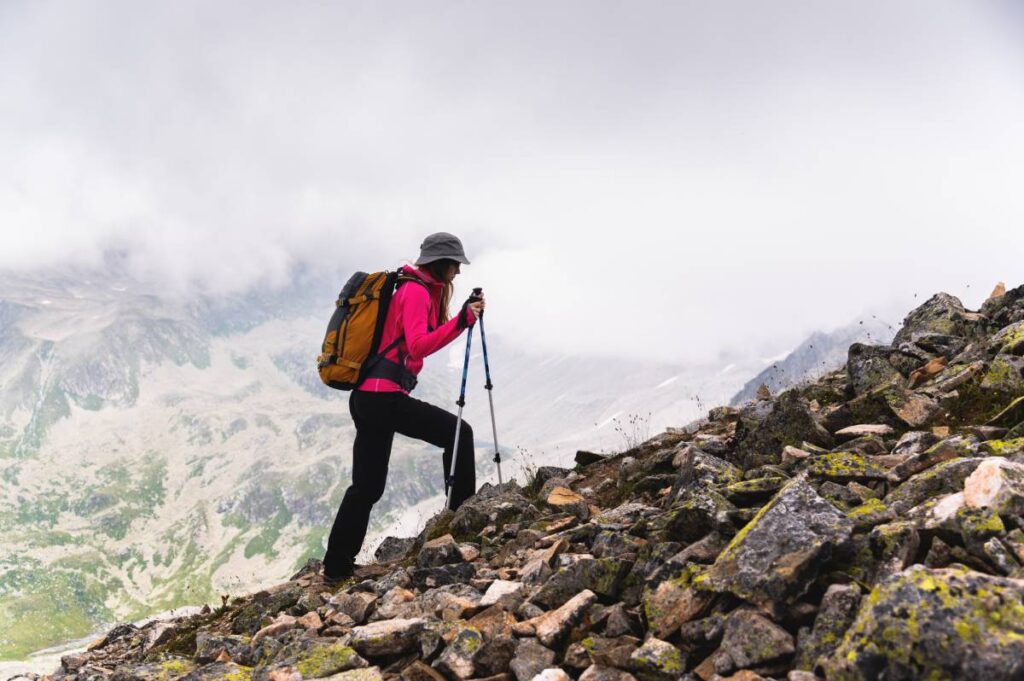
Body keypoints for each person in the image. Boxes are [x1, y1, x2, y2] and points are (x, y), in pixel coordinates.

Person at [321, 232, 485, 582]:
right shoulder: (414, 291)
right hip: (383, 398)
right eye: (455, 264)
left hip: (367, 398)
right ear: (441, 264)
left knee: (366, 487)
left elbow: (424, 335)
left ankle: (335, 568)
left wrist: (460, 316)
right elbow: (418, 347)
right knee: (459, 433)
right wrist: (462, 322)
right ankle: (462, 523)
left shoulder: (415, 287)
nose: (457, 271)